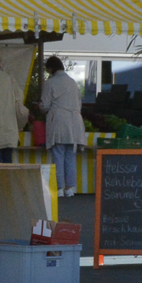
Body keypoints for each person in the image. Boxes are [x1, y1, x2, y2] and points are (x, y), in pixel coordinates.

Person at [40, 55, 83, 198]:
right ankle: (70, 188)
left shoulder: (50, 83)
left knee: (58, 156)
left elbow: (45, 105)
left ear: (51, 68)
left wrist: (39, 107)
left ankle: (59, 188)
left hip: (58, 122)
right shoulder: (72, 82)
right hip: (74, 123)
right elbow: (78, 103)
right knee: (70, 156)